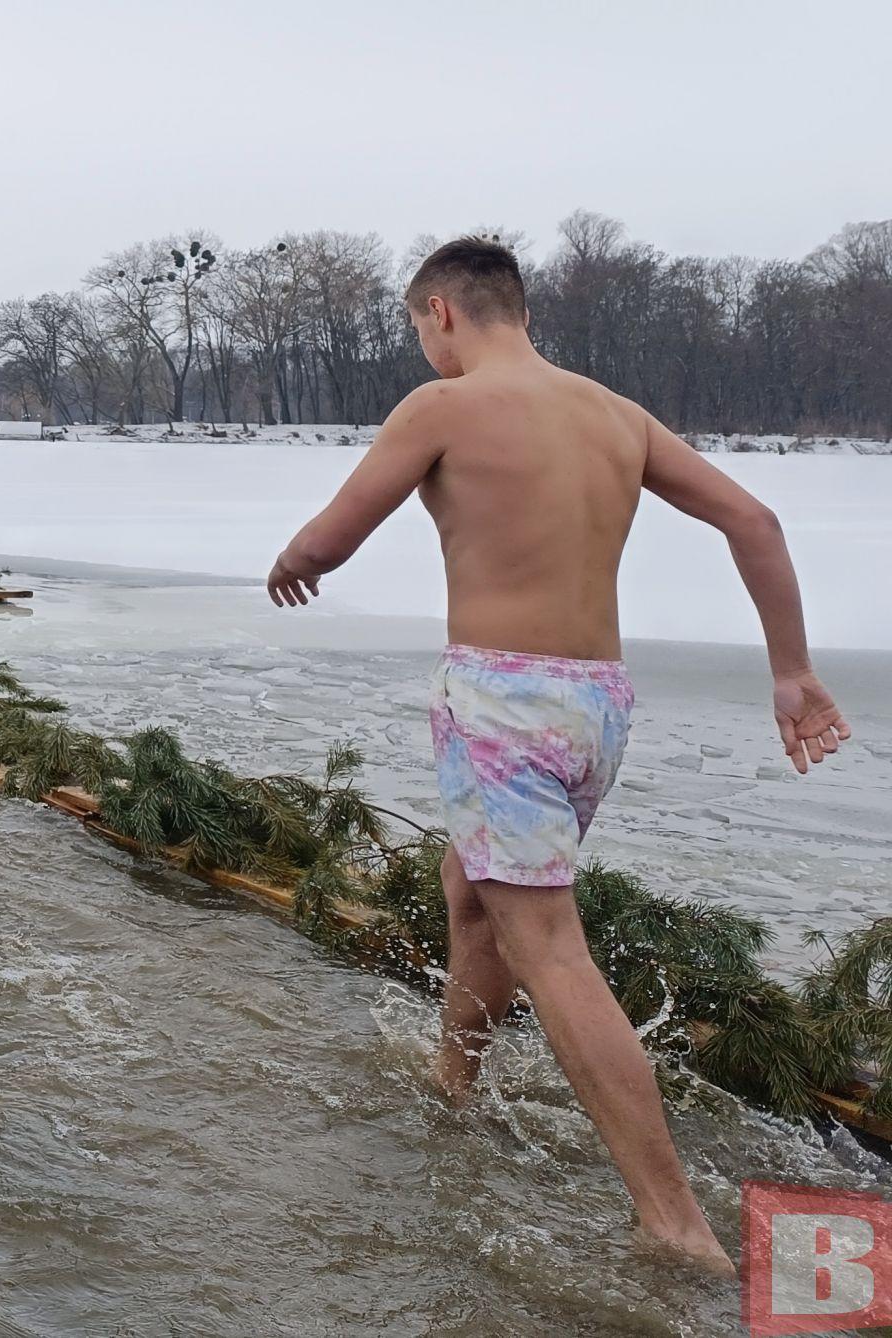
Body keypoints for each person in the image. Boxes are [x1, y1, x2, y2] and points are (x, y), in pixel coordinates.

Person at [265, 237, 851, 1272]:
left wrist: (290, 561)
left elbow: (329, 542)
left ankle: (671, 1220)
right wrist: (790, 671)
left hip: (499, 701)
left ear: (440, 314)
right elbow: (749, 518)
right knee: (471, 885)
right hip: (595, 707)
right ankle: (456, 1082)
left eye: (416, 328)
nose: (421, 345)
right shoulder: (613, 413)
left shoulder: (438, 407)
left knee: (549, 948)